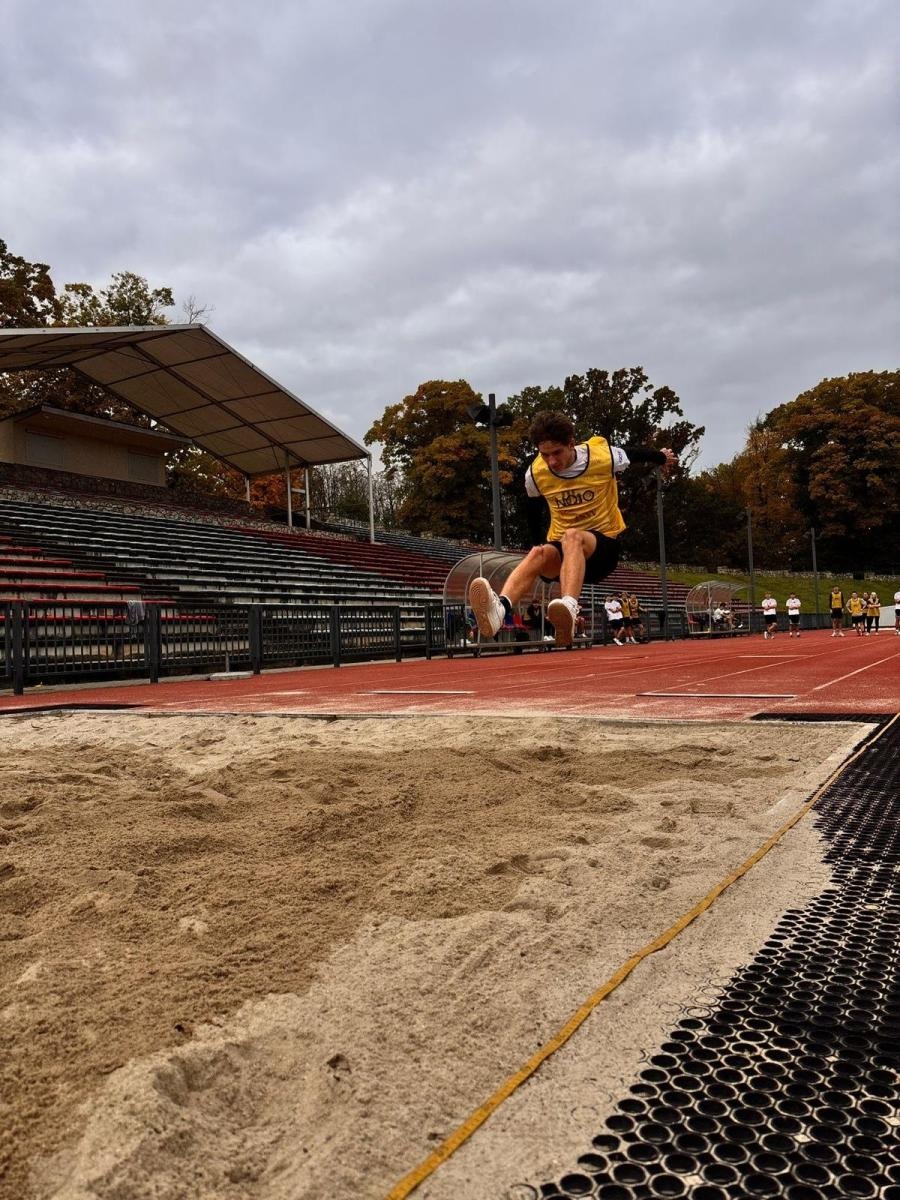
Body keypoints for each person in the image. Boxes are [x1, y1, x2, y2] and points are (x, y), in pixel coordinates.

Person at [467, 411, 677, 644]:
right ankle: (500, 610)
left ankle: (569, 606)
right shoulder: (535, 473)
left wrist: (661, 456)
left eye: (557, 453)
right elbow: (533, 511)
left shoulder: (603, 456)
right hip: (565, 555)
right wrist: (541, 547)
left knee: (572, 536)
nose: (552, 462)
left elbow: (635, 453)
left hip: (602, 549)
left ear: (571, 444)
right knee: (538, 552)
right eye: (545, 454)